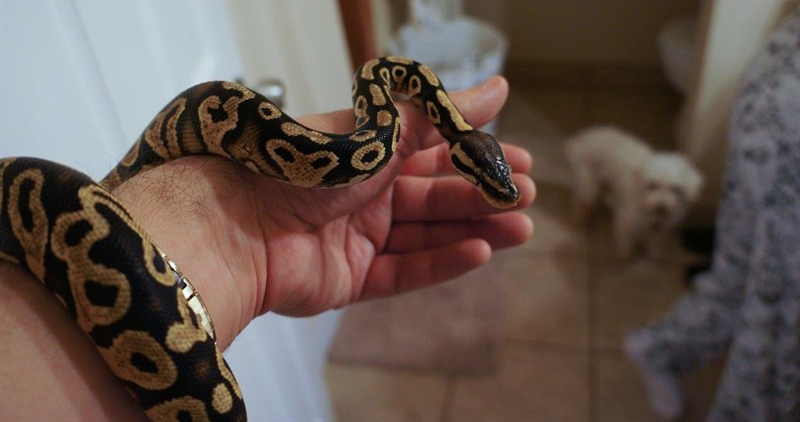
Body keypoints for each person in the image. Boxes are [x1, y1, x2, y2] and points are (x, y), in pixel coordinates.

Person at [0, 76, 535, 420]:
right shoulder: (379, 125)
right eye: (485, 177)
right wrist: (225, 227)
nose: (495, 188)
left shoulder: (387, 124)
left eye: (492, 179)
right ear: (464, 155)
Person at [625, 8, 800, 421]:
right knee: (776, 315)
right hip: (786, 115)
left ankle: (658, 348)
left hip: (780, 86)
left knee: (745, 277)